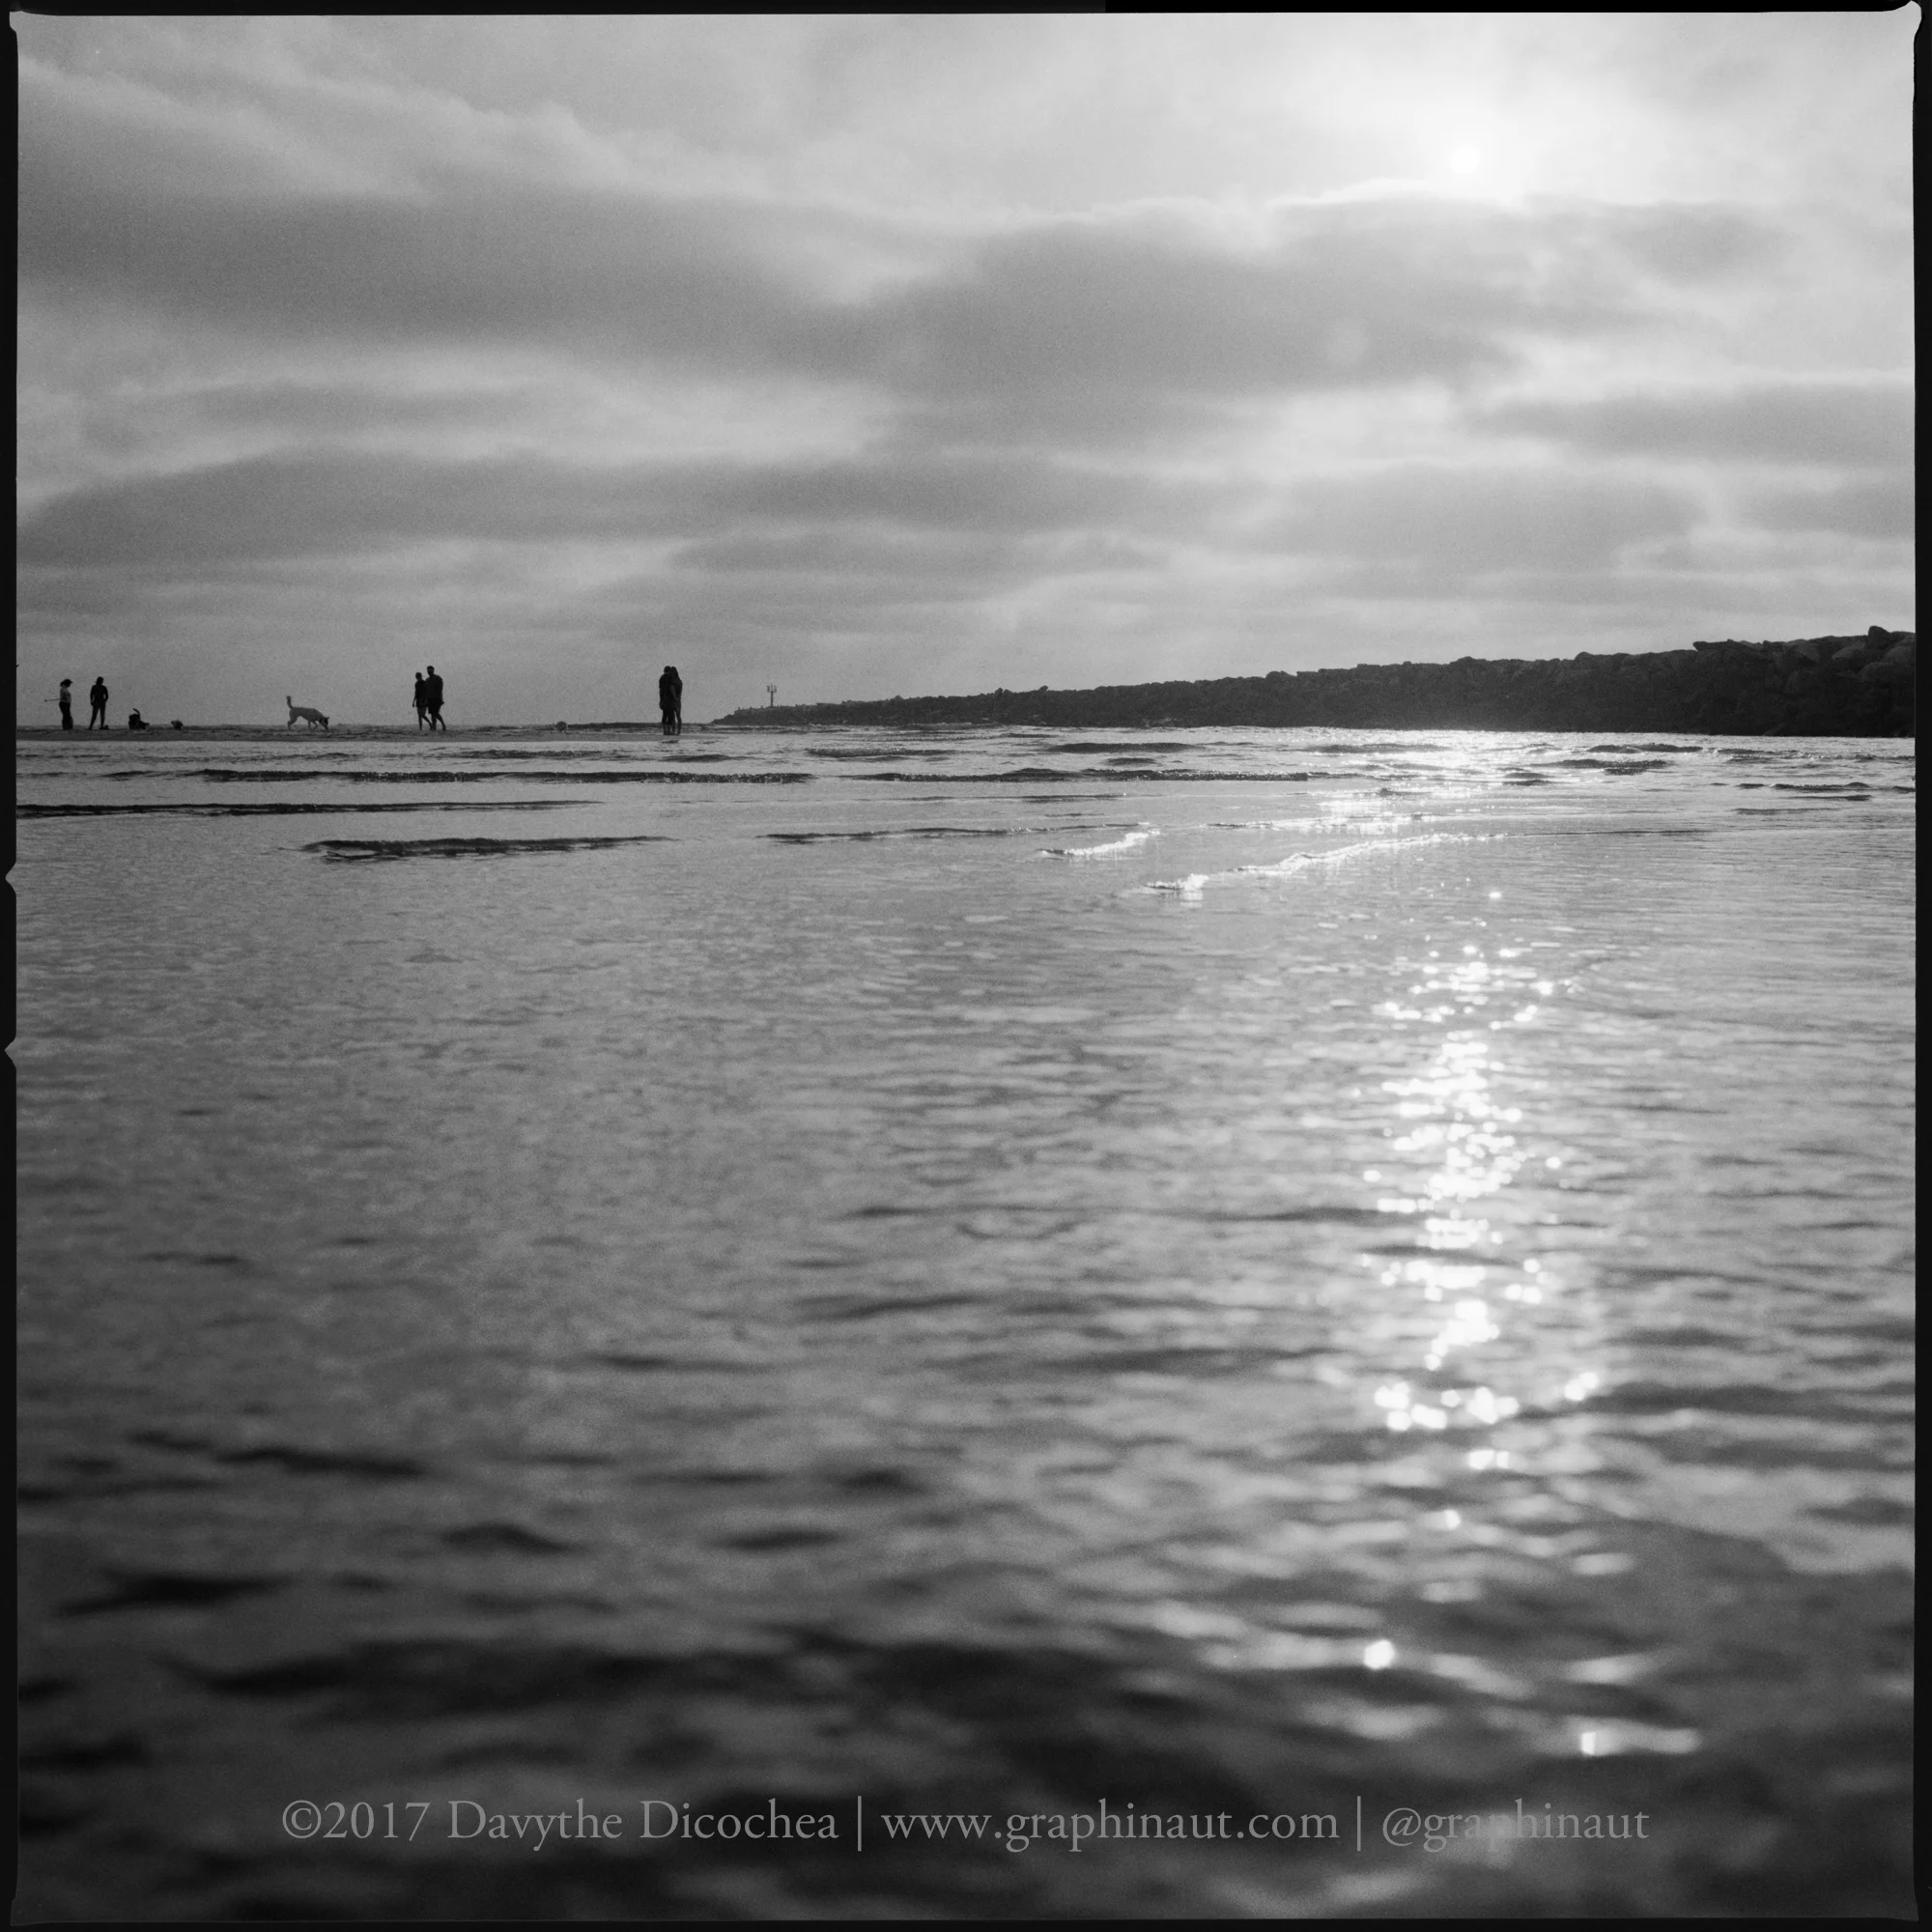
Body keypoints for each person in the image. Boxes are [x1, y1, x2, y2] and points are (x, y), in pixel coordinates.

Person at [659, 664, 683, 738]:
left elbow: (661, 690)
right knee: (675, 715)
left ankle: (667, 731)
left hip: (668, 699)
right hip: (674, 699)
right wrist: (677, 698)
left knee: (667, 715)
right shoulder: (678, 681)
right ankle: (675, 731)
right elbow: (675, 690)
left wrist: (661, 699)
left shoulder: (664, 678)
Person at [423, 665, 445, 731]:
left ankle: (436, 727)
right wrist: (425, 700)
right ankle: (438, 726)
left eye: (430, 671)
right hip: (430, 699)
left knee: (435, 713)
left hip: (436, 698)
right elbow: (426, 691)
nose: (429, 673)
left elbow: (440, 689)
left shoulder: (438, 678)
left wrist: (440, 699)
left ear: (433, 671)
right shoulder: (427, 680)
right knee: (433, 714)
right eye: (428, 671)